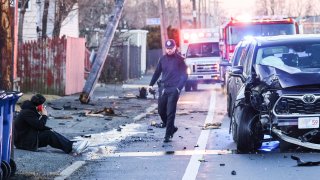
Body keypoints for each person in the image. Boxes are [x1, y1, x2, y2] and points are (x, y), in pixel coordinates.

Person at [14, 94, 88, 154]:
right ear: (39, 106)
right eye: (43, 105)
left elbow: (36, 125)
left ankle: (72, 145)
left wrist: (47, 127)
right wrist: (44, 115)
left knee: (50, 132)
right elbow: (39, 125)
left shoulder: (29, 110)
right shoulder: (27, 112)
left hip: (27, 138)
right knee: (49, 135)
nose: (43, 107)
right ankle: (72, 147)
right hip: (24, 142)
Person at [149, 39, 188, 143]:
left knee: (170, 112)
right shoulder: (162, 59)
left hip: (174, 89)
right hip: (164, 88)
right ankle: (171, 128)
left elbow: (185, 76)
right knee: (161, 110)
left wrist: (178, 88)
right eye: (167, 48)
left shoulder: (180, 60)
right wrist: (151, 85)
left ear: (175, 47)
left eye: (171, 48)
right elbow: (157, 73)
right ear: (165, 48)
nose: (169, 50)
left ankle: (167, 135)